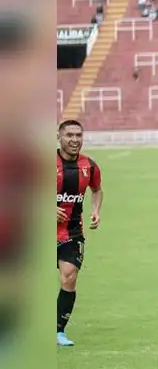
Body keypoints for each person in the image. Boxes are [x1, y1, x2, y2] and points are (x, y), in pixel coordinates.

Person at [56, 120, 103, 347]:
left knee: (69, 276)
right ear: (59, 137)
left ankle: (58, 330)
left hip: (72, 232)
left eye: (78, 135)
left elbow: (97, 190)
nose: (74, 140)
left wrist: (95, 210)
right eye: (69, 135)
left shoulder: (90, 166)